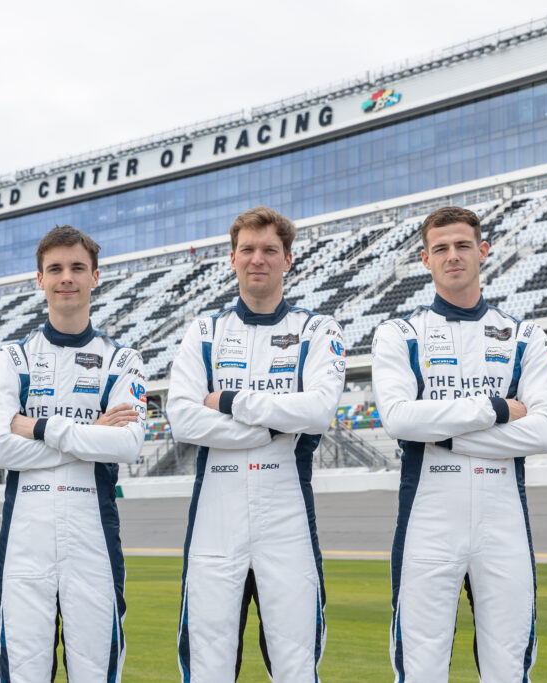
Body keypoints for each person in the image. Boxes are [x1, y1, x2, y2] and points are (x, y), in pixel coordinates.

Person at [371, 206, 547, 682]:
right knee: (419, 669)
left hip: (503, 522)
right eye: (440, 248)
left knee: (510, 667)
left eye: (461, 246)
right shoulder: (400, 333)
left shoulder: (524, 336)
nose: (452, 256)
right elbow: (398, 418)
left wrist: (443, 437)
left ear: (483, 251)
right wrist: (496, 409)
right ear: (425, 259)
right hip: (427, 520)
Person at [167, 206, 346, 682]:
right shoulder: (203, 332)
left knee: (295, 667)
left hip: (285, 515)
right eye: (247, 249)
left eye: (270, 250)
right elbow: (182, 419)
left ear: (288, 259)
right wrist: (270, 426)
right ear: (232, 259)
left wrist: (226, 400)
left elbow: (318, 410)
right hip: (214, 517)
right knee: (208, 667)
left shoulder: (317, 330)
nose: (257, 259)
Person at [0, 225, 146, 682]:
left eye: (77, 267)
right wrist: (86, 434)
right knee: (21, 671)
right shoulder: (13, 357)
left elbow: (127, 443)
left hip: (93, 532)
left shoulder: (122, 359)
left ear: (95, 276)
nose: (66, 278)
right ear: (40, 279)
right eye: (55, 269)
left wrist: (39, 427)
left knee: (95, 670)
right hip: (25, 536)